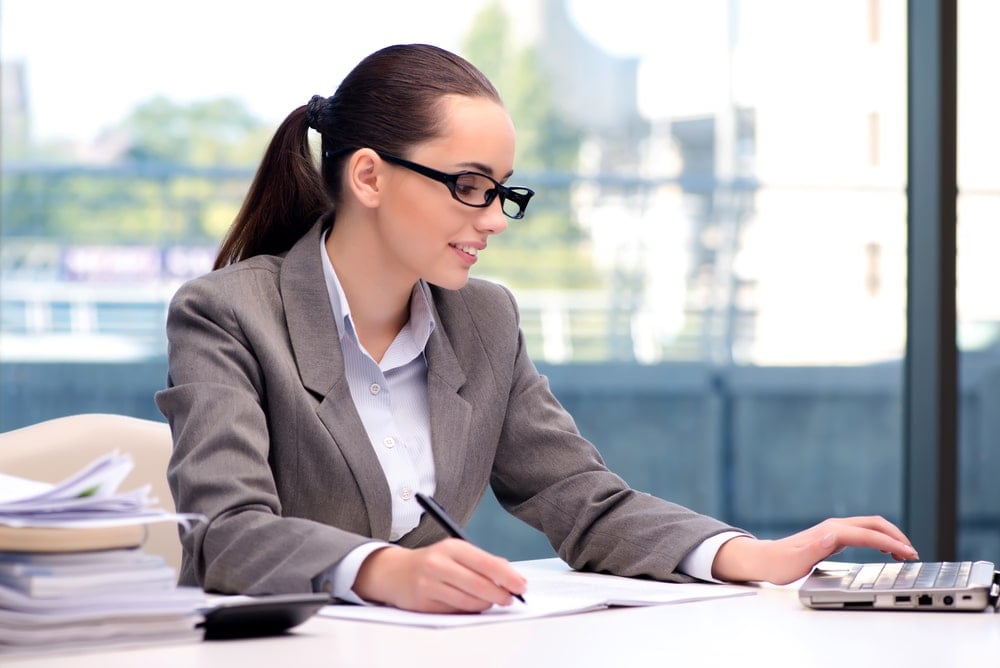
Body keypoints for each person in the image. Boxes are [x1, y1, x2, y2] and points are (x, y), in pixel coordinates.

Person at [155, 43, 918, 613]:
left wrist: (750, 554)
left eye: (502, 192)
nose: (492, 219)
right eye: (468, 186)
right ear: (368, 176)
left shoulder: (483, 318)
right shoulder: (227, 314)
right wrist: (380, 568)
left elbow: (584, 502)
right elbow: (224, 532)